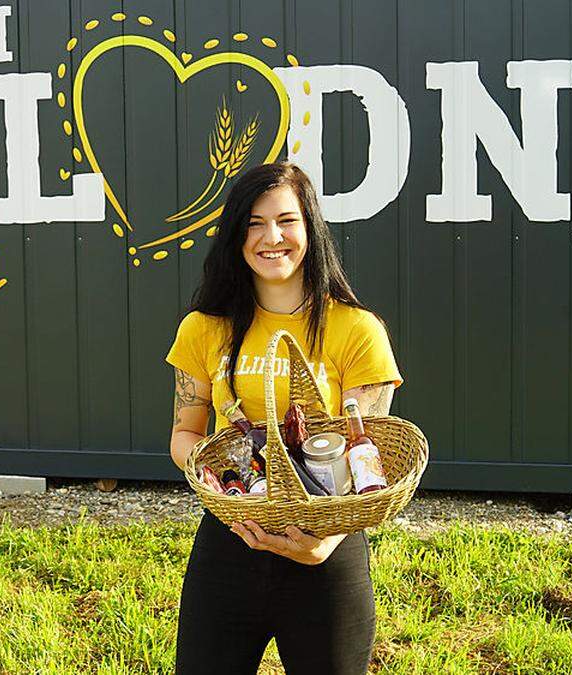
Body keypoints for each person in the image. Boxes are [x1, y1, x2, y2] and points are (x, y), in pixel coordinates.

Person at [166, 162, 402, 674]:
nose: (271, 237)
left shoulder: (357, 330)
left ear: (309, 229)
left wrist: (324, 543)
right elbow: (185, 435)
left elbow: (368, 459)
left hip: (327, 557)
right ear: (235, 235)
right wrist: (218, 477)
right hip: (230, 542)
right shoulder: (203, 329)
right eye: (253, 223)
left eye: (286, 220)